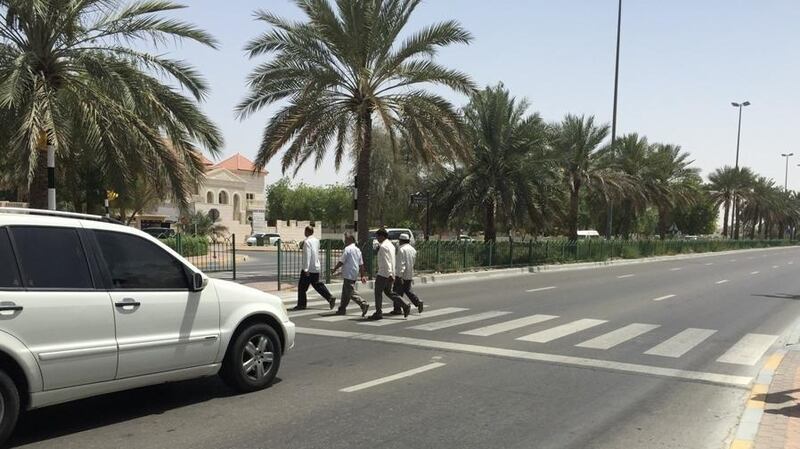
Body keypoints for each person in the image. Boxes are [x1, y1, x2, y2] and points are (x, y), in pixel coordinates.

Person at [291, 226, 335, 311]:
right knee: (317, 284)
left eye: (305, 231)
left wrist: (306, 269)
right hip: (316, 266)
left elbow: (307, 255)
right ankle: (329, 297)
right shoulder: (316, 241)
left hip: (309, 268)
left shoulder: (307, 242)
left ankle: (301, 304)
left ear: (307, 232)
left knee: (302, 287)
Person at [369, 228, 410, 320]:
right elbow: (392, 260)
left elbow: (387, 261)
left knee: (378, 292)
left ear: (382, 236)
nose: (377, 239)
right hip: (390, 272)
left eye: (378, 237)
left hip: (384, 273)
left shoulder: (383, 247)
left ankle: (378, 312)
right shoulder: (391, 245)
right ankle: (405, 304)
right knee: (389, 292)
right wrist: (392, 273)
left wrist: (390, 274)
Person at [331, 232, 370, 317]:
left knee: (350, 292)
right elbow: (361, 264)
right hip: (354, 273)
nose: (345, 241)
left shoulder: (347, 249)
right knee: (345, 293)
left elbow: (342, 261)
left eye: (346, 239)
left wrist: (334, 269)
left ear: (350, 239)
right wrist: (362, 275)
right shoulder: (358, 250)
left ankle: (363, 303)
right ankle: (342, 309)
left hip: (348, 273)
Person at [391, 233, 423, 314]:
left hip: (401, 274)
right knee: (407, 290)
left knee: (397, 292)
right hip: (409, 273)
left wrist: (399, 276)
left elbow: (401, 264)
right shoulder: (413, 250)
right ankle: (418, 302)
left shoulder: (401, 249)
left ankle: (397, 309)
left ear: (401, 241)